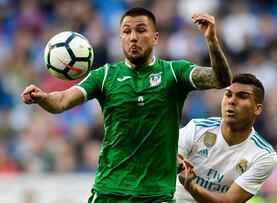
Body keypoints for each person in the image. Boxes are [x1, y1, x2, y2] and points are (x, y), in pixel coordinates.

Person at [20, 7, 232, 203]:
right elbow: (61, 101)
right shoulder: (104, 76)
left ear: (155, 37)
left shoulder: (174, 73)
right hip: (110, 189)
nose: (133, 37)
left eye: (141, 30)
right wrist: (43, 97)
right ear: (120, 37)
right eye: (127, 31)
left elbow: (220, 80)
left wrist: (211, 40)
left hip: (157, 194)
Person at [176, 73, 277, 203]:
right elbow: (170, 154)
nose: (232, 100)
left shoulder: (263, 155)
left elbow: (230, 201)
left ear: (257, 109)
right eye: (228, 94)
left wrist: (192, 187)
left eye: (242, 96)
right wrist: (176, 161)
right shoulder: (197, 128)